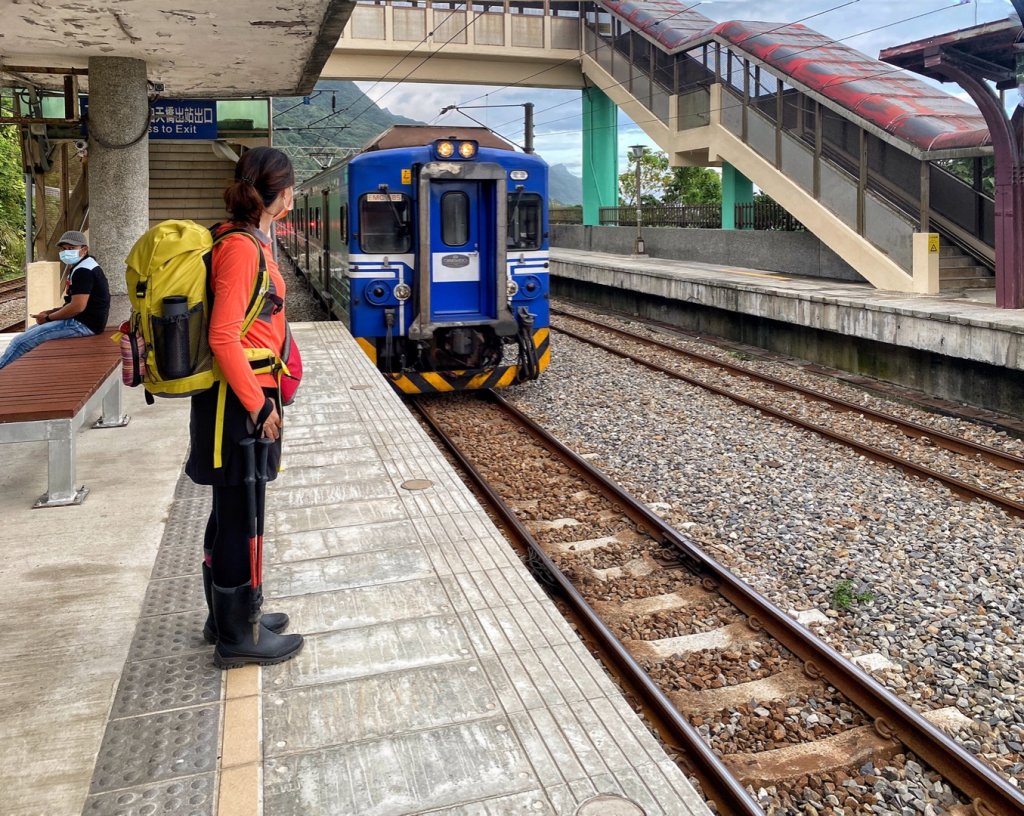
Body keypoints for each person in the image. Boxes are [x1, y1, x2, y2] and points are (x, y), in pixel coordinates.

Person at [187, 146, 303, 668]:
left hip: (244, 396)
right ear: (278, 194)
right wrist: (259, 407)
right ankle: (238, 635)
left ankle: (229, 615)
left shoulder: (248, 241)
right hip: (237, 404)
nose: (295, 196)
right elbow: (223, 336)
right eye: (292, 187)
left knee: (234, 510)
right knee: (239, 516)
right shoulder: (240, 249)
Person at [0, 231, 110, 369]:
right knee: (29, 333)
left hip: (83, 324)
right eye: (63, 249)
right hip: (85, 321)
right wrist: (50, 312)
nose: (66, 252)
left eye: (71, 248)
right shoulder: (84, 265)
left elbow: (78, 307)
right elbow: (74, 302)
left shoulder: (83, 271)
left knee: (20, 342)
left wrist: (48, 319)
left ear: (84, 249)